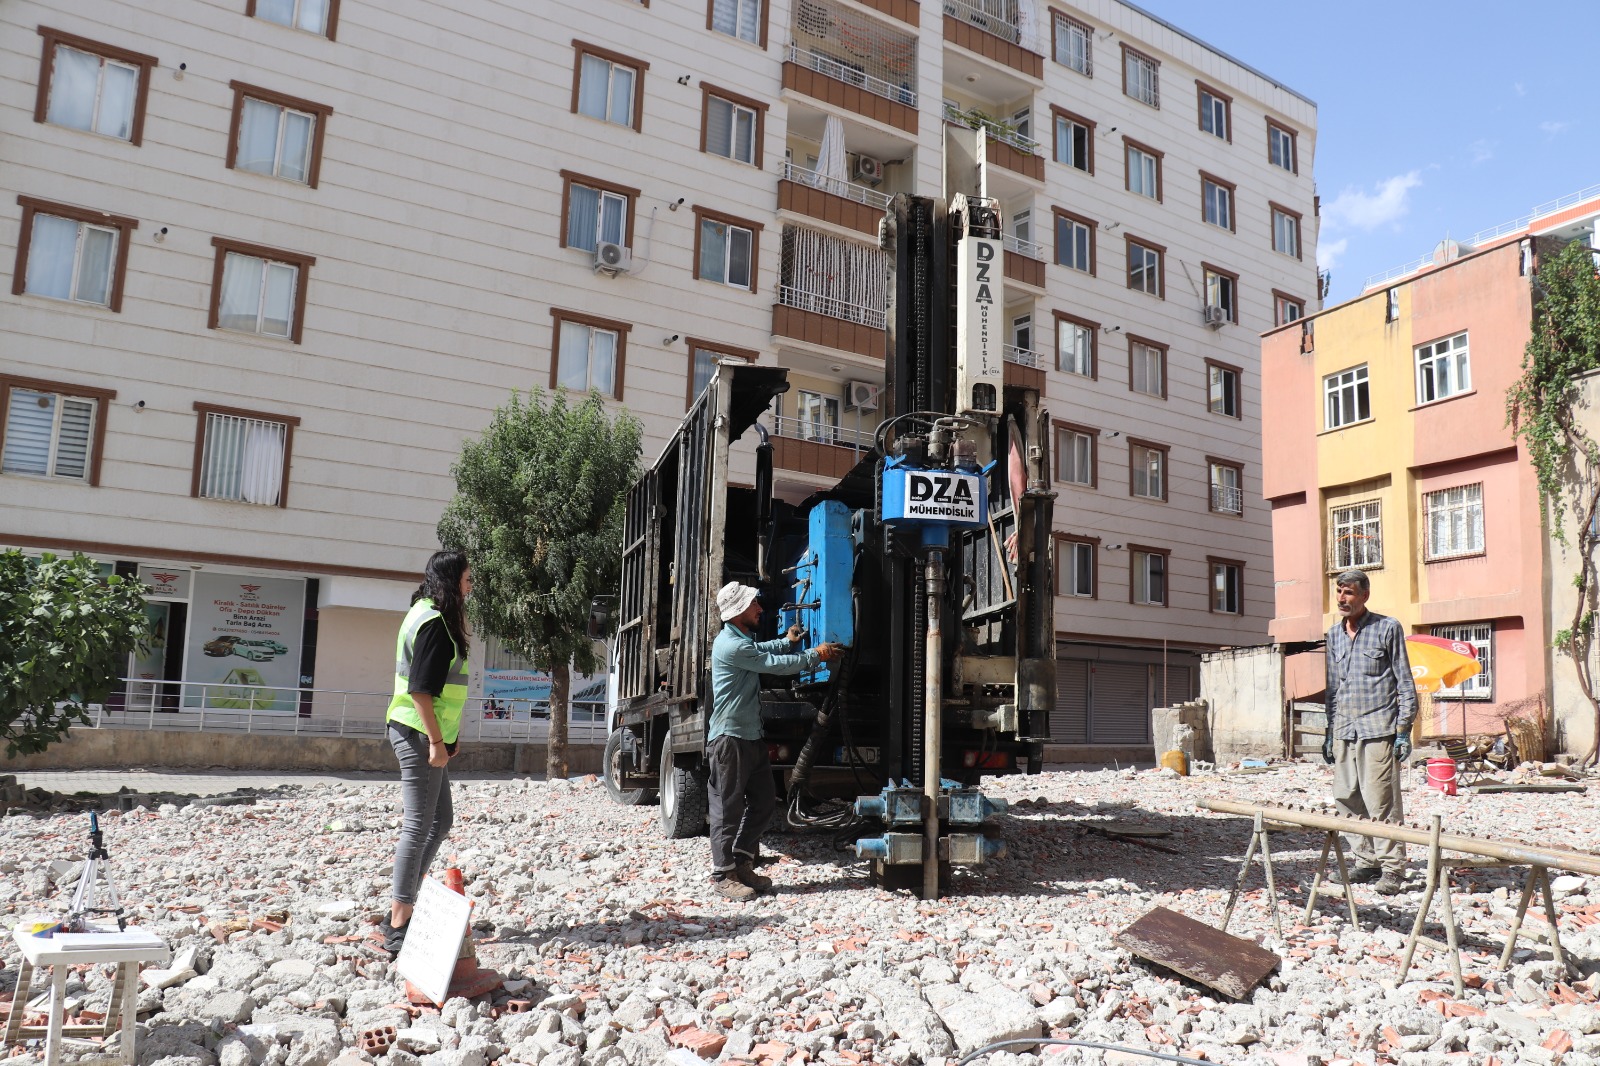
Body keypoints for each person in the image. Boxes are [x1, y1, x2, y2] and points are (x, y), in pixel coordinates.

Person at [708, 581, 842, 902]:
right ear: (738, 611)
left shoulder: (741, 641)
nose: (760, 609)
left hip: (750, 738)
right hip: (730, 740)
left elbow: (764, 652)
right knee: (727, 810)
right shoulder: (730, 645)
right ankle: (722, 874)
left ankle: (741, 862)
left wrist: (786, 641)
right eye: (754, 604)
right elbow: (772, 665)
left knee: (766, 802)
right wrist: (815, 655)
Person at [379, 550, 472, 953]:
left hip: (425, 731)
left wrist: (446, 737)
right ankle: (399, 921)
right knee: (419, 824)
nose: (471, 585)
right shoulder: (434, 622)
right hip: (418, 732)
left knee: (442, 818)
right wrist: (436, 742)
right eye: (468, 579)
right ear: (452, 582)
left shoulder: (422, 611)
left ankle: (406, 897)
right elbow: (420, 690)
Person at [1322, 570, 1416, 896]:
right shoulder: (1333, 635)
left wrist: (1403, 730)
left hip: (1379, 727)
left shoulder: (1387, 628)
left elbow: (1405, 682)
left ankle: (1393, 869)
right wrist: (1328, 730)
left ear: (1364, 595)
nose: (1342, 599)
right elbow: (1333, 687)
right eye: (1339, 592)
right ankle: (1366, 860)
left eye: (1348, 593)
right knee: (1346, 797)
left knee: (1382, 802)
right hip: (1345, 728)